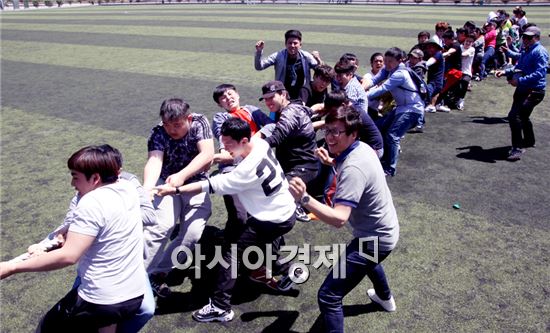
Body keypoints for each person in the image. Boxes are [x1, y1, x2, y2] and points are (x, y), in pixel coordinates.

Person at [155, 118, 298, 323]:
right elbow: (236, 155)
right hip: (285, 212)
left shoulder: (245, 171)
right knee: (261, 245)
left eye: (229, 144)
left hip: (271, 218)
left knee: (231, 255)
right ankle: (288, 273)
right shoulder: (260, 144)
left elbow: (210, 185)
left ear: (244, 140)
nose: (226, 148)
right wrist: (214, 157)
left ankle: (220, 307)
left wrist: (176, 189)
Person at [0, 145, 147, 332]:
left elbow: (69, 256)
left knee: (48, 327)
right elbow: (104, 226)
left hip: (101, 301)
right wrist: (64, 233)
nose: (72, 184)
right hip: (133, 297)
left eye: (75, 177)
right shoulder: (127, 188)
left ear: (95, 178)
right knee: (106, 324)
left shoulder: (92, 202)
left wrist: (12, 267)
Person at [288, 105, 399, 333]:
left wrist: (304, 198)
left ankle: (384, 298)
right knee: (367, 260)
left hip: (375, 238)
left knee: (328, 296)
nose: (329, 137)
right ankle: (385, 298)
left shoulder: (353, 168)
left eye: (336, 132)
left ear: (353, 133)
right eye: (327, 130)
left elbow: (339, 218)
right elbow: (350, 168)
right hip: (383, 231)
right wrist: (331, 162)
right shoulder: (362, 149)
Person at [143, 98, 214, 297]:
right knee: (160, 227)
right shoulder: (158, 132)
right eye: (167, 125)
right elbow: (154, 160)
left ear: (187, 118)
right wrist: (148, 188)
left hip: (195, 181)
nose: (171, 130)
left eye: (176, 125)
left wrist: (182, 175)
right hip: (166, 182)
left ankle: (158, 273)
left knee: (191, 235)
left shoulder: (199, 123)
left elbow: (207, 154)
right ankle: (137, 278)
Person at [258, 80, 319, 222]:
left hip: (304, 166)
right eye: (265, 99)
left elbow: (277, 137)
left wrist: (251, 149)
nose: (268, 102)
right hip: (294, 164)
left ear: (283, 94)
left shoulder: (289, 112)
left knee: (278, 197)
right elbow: (307, 112)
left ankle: (299, 204)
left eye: (271, 97)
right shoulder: (294, 107)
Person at [366, 47, 425, 177]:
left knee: (392, 136)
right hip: (401, 108)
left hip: (412, 109)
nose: (386, 64)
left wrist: (363, 96)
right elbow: (375, 79)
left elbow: (382, 88)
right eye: (385, 60)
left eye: (390, 61)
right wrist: (363, 86)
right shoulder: (390, 69)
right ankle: (383, 159)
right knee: (380, 127)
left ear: (399, 61)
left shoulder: (400, 74)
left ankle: (390, 168)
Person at [495, 26, 548, 161]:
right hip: (523, 89)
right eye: (524, 37)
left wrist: (520, 81)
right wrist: (506, 72)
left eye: (529, 37)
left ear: (537, 38)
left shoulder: (540, 52)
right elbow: (519, 66)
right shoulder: (527, 50)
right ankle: (529, 141)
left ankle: (517, 149)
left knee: (515, 117)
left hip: (534, 90)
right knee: (523, 116)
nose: (525, 39)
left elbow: (540, 73)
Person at [255, 29, 322, 100]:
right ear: (285, 44)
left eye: (295, 43)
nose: (292, 45)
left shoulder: (306, 56)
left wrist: (318, 60)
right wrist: (259, 52)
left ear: (300, 45)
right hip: (284, 95)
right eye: (290, 43)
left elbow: (320, 71)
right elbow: (259, 67)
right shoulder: (278, 56)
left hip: (302, 96)